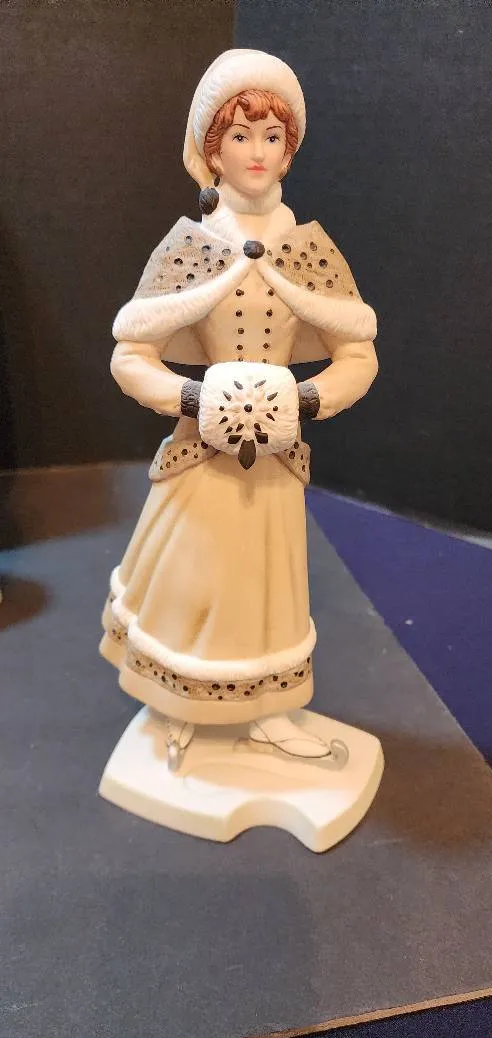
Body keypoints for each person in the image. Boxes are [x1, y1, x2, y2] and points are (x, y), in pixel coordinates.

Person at [100, 48, 378, 770]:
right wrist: (195, 397)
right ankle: (181, 706)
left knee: (267, 588)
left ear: (289, 151)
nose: (257, 151)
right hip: (202, 455)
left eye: (272, 136)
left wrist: (304, 399)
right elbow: (131, 355)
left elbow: (358, 355)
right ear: (211, 150)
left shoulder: (309, 249)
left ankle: (265, 713)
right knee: (193, 580)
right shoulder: (189, 247)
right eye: (239, 134)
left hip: (275, 459)